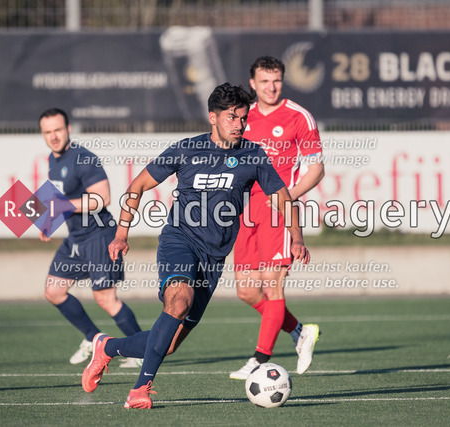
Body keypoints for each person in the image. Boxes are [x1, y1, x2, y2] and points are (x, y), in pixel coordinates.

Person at [81, 83, 311, 409]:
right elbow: (138, 185)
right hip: (180, 240)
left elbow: (283, 199)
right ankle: (140, 388)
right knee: (178, 302)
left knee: (169, 344)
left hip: (213, 258)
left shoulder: (253, 155)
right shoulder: (186, 149)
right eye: (231, 117)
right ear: (213, 118)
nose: (239, 124)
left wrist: (297, 237)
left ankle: (107, 347)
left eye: (243, 118)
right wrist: (121, 234)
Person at [229, 56, 325, 380]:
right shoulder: (242, 116)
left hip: (278, 212)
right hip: (245, 211)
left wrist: (288, 196)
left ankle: (259, 359)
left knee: (273, 285)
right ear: (252, 84)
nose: (271, 87)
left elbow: (316, 169)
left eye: (277, 81)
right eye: (264, 81)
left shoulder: (299, 116)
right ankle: (300, 331)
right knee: (246, 291)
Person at [38, 108, 142, 367]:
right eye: (48, 132)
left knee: (105, 298)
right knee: (54, 291)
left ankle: (141, 351)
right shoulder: (53, 159)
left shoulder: (83, 158)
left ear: (68, 129)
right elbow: (61, 199)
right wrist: (47, 222)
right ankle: (94, 339)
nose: (53, 136)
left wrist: (61, 207)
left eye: (58, 130)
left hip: (99, 235)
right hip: (75, 238)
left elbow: (102, 198)